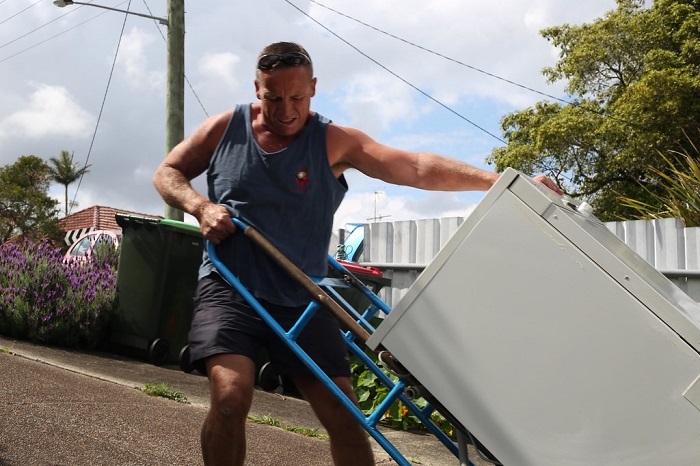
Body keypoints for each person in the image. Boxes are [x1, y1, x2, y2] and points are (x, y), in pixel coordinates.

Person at [153, 41, 562, 466]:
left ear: (313, 88)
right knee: (231, 398)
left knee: (346, 418)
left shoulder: (333, 142)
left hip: (301, 295)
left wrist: (503, 181)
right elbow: (167, 172)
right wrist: (200, 206)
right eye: (274, 98)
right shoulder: (224, 129)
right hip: (231, 287)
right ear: (257, 88)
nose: (286, 109)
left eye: (297, 98)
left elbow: (415, 167)